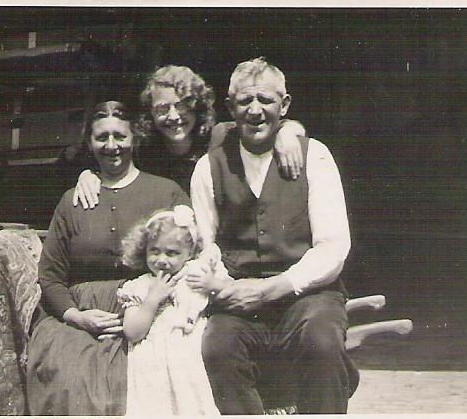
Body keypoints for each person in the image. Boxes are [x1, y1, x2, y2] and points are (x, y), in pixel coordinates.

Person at [189, 57, 360, 414]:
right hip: (238, 297)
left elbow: (332, 248)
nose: (255, 111)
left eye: (265, 100)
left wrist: (271, 289)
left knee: (322, 343)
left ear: (284, 105)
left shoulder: (316, 157)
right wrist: (227, 288)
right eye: (244, 101)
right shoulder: (209, 166)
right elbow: (207, 247)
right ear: (230, 107)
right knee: (216, 349)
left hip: (308, 296)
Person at [25, 101, 190, 415]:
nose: (111, 146)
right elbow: (50, 275)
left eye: (120, 136)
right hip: (80, 316)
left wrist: (156, 299)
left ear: (134, 139)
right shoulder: (72, 200)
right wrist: (76, 317)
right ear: (90, 143)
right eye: (102, 137)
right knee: (69, 376)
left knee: (147, 375)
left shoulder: (165, 192)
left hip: (150, 309)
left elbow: (192, 251)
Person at [71, 65, 308, 208]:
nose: (173, 117)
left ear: (197, 107)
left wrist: (287, 131)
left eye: (182, 106)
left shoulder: (220, 136)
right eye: (162, 109)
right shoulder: (145, 149)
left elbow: (266, 125)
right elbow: (105, 159)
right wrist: (88, 175)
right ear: (150, 113)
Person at [116, 205, 229, 415]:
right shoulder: (140, 286)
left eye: (172, 253)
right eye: (154, 251)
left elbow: (229, 290)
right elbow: (132, 332)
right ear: (144, 249)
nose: (161, 260)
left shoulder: (195, 275)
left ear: (190, 253)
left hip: (191, 348)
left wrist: (212, 284)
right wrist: (152, 299)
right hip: (153, 357)